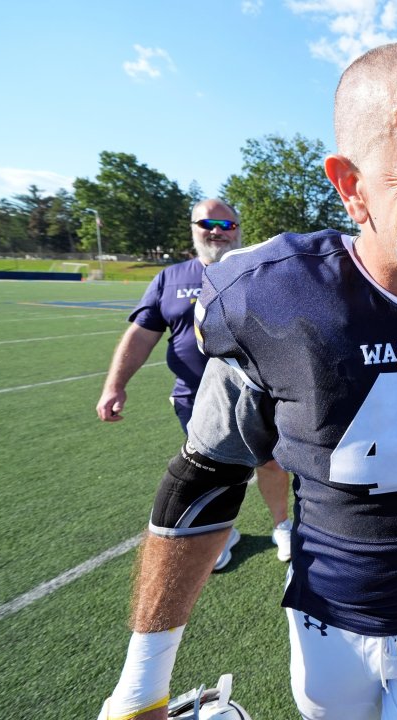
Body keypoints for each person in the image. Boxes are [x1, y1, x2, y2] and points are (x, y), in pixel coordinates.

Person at [98, 42, 397, 720]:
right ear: (350, 184)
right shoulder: (275, 297)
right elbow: (206, 477)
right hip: (326, 621)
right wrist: (141, 685)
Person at [95, 198, 292, 569]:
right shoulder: (169, 279)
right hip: (197, 399)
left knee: (271, 464)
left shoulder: (262, 271)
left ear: (238, 230)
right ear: (193, 228)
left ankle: (282, 525)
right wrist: (114, 385)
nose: (217, 231)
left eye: (227, 224)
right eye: (208, 224)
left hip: (260, 395)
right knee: (212, 470)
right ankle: (224, 532)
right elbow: (141, 335)